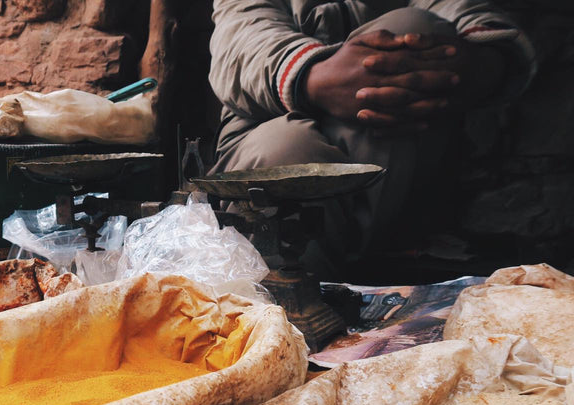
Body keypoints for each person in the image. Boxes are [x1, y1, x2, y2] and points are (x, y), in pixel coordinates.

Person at [209, 2, 536, 278]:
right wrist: (315, 75)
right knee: (288, 151)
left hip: (395, 175)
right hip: (260, 137)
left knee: (410, 27)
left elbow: (467, 12)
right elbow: (240, 37)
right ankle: (286, 317)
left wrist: (470, 64)